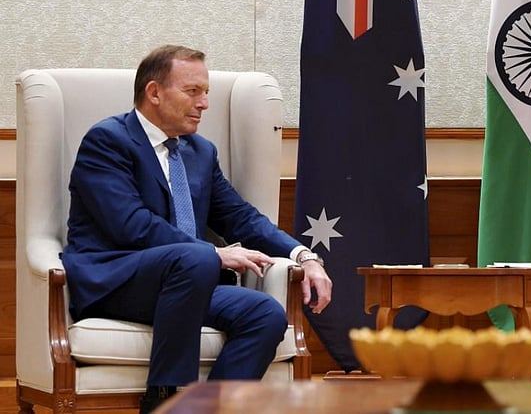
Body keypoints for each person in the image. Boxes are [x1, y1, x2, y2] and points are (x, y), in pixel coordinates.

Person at [62, 45, 333, 413]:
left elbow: (241, 218)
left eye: (206, 92)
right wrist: (213, 254)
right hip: (117, 281)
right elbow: (130, 225)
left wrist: (304, 255)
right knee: (197, 257)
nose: (204, 103)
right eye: (192, 91)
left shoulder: (200, 152)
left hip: (189, 282)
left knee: (265, 315)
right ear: (154, 92)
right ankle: (165, 399)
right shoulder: (108, 141)